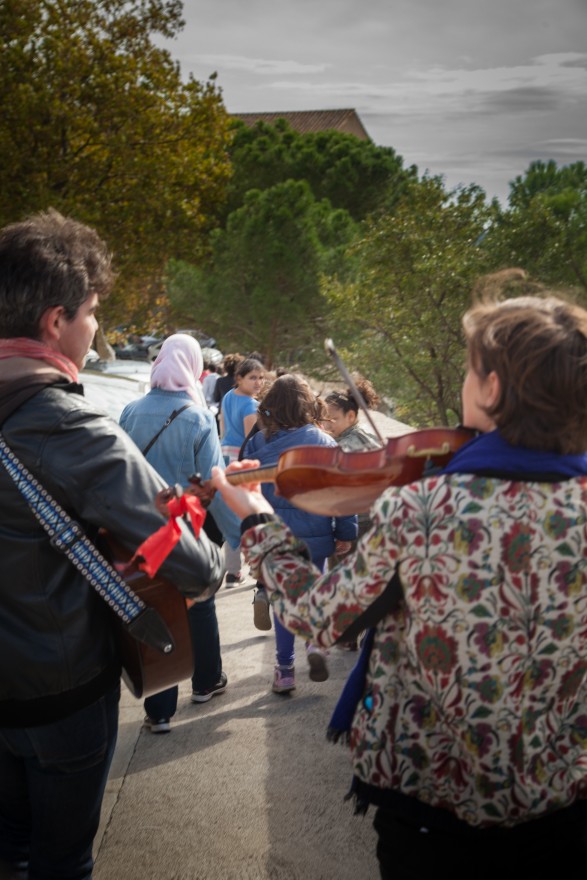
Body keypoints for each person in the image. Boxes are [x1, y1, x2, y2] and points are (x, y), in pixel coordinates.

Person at [212, 291, 587, 878]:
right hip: (564, 797)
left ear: (491, 389)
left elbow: (321, 616)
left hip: (431, 802)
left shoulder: (424, 506)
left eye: (468, 369)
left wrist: (258, 523)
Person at [0, 210, 223, 880]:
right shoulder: (73, 429)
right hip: (59, 694)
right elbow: (193, 567)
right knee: (61, 862)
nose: (95, 327)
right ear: (56, 320)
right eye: (92, 312)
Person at [120, 334, 241, 732]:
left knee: (157, 609)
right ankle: (206, 683)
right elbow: (212, 483)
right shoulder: (198, 415)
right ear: (193, 367)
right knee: (200, 603)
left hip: (141, 530)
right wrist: (242, 537)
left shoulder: (131, 411)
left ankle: (159, 712)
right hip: (185, 528)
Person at [243, 374, 357, 693]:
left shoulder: (257, 442)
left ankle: (285, 671)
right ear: (308, 405)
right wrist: (345, 532)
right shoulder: (325, 442)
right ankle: (315, 647)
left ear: (272, 405)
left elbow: (244, 486)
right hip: (317, 535)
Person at [219, 356, 264, 585]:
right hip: (242, 461)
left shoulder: (228, 396)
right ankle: (250, 569)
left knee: (232, 514)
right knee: (249, 516)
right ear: (239, 378)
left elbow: (223, 426)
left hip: (226, 455)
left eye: (261, 378)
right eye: (252, 378)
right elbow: (251, 440)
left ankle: (232, 569)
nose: (258, 383)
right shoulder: (250, 405)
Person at [322, 379, 381, 453]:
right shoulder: (370, 436)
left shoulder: (345, 449)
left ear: (350, 416)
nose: (326, 426)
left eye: (332, 419)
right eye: (323, 419)